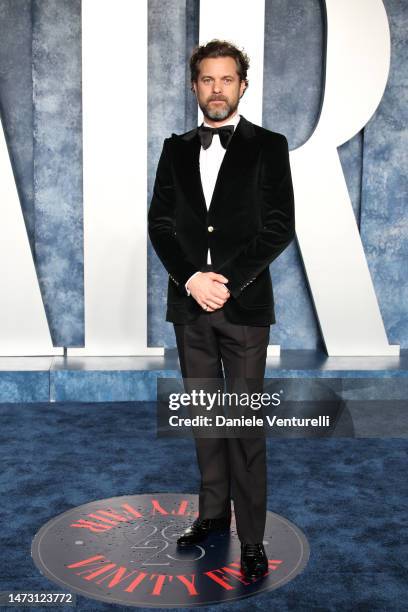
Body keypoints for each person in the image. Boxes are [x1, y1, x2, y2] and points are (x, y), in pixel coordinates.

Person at [148, 39, 295, 580]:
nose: (217, 89)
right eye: (207, 80)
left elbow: (279, 225)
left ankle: (252, 538)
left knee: (244, 425)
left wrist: (225, 281)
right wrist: (191, 279)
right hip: (190, 308)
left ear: (243, 85)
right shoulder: (175, 148)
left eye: (226, 79)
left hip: (244, 306)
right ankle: (212, 515)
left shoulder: (269, 146)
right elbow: (160, 224)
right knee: (207, 421)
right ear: (194, 86)